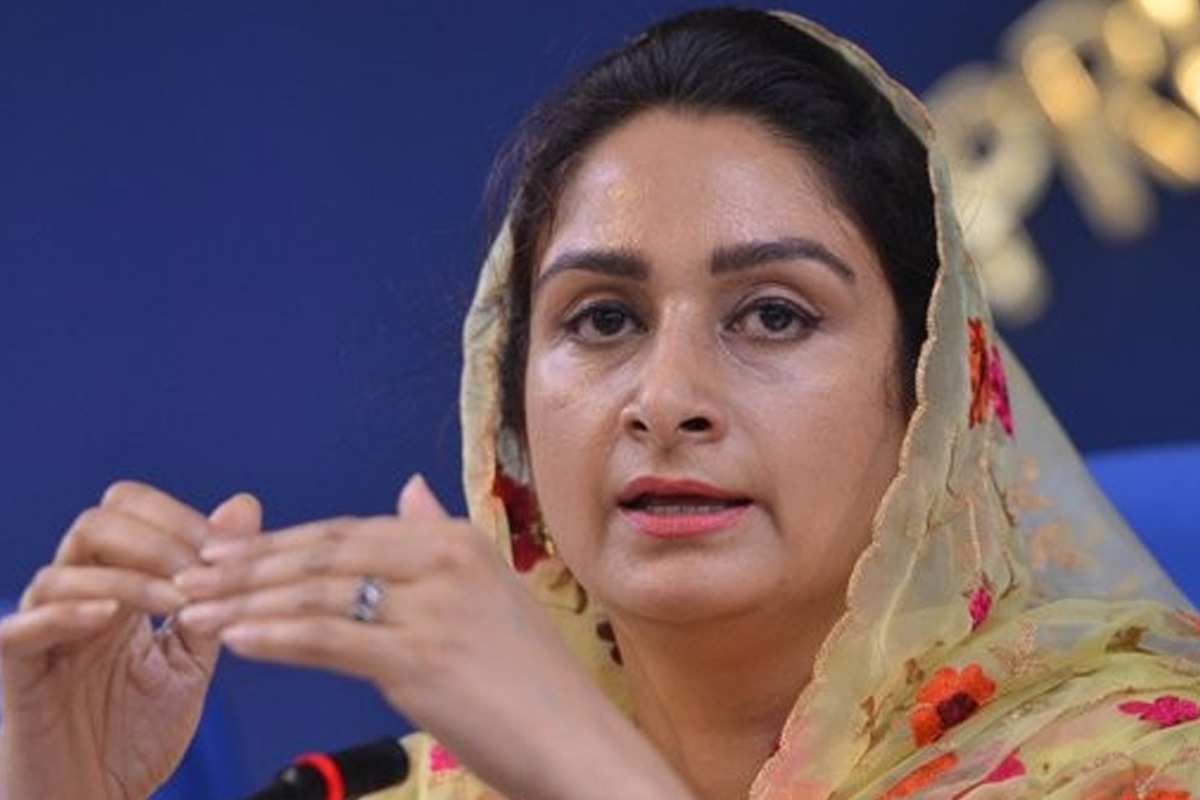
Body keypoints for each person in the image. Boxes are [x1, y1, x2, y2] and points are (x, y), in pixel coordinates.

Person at [2, 7, 1199, 799]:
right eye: (604, 320)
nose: (666, 398)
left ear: (931, 401)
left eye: (773, 314)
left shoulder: (1141, 767)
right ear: (513, 421)